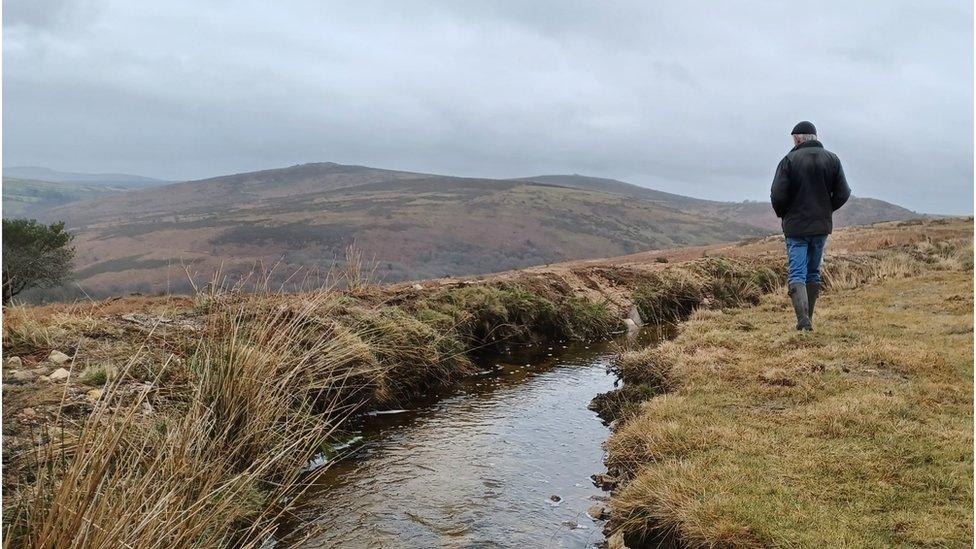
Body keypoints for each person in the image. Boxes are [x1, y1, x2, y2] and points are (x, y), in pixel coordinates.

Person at [770, 121, 851, 331]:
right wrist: (826, 209)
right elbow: (843, 192)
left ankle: (802, 320)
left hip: (796, 228)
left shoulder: (789, 160)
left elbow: (777, 194)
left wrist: (784, 214)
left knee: (797, 272)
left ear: (798, 138)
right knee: (813, 272)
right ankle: (809, 318)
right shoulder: (833, 159)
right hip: (821, 226)